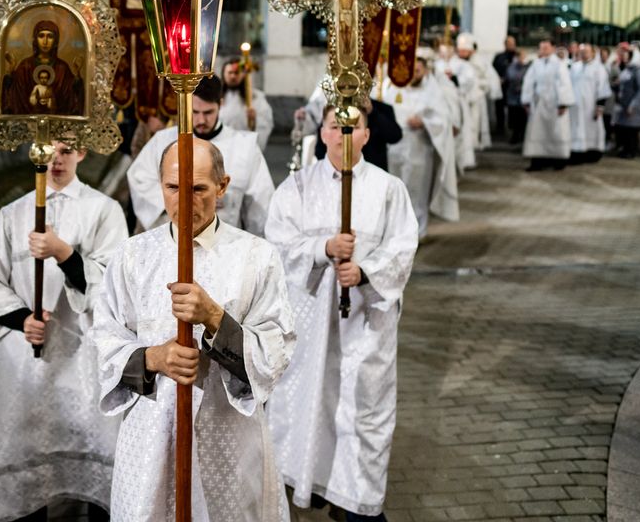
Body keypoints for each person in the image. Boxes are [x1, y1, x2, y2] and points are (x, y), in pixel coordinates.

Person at [93, 139, 296, 521]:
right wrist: (153, 357)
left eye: (199, 189)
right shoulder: (132, 256)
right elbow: (104, 337)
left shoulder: (256, 257)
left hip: (229, 441)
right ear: (160, 185)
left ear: (223, 186)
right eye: (173, 188)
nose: (185, 202)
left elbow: (275, 351)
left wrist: (215, 318)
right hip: (151, 438)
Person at [266, 104, 419, 522]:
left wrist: (365, 272)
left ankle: (357, 505)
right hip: (311, 326)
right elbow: (277, 244)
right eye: (336, 126)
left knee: (362, 418)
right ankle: (310, 489)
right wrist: (323, 250)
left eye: (353, 128)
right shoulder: (296, 188)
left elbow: (403, 249)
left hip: (364, 332)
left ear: (368, 136)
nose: (344, 135)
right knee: (306, 414)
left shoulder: (389, 190)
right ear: (323, 132)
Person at [0, 141, 127, 522]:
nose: (56, 159)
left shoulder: (104, 211)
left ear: (83, 152)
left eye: (68, 149)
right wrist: (23, 318)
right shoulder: (12, 214)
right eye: (47, 150)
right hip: (27, 359)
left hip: (84, 357)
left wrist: (64, 254)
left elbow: (115, 283)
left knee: (96, 451)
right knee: (27, 457)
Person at [127, 76, 274, 235]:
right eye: (195, 112)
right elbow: (139, 178)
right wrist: (181, 201)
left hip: (225, 242)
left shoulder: (245, 146)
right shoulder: (163, 141)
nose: (201, 120)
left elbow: (262, 202)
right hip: (174, 240)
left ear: (221, 104)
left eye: (208, 112)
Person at [383, 58, 458, 236]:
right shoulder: (394, 88)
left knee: (416, 191)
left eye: (418, 71)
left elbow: (442, 119)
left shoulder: (432, 91)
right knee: (395, 190)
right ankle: (395, 231)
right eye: (411, 70)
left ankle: (418, 232)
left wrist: (424, 122)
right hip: (394, 148)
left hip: (419, 147)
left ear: (425, 71)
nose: (414, 74)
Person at [2, 19, 81, 116]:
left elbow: (72, 97)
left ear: (56, 41)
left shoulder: (62, 68)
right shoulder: (25, 66)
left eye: (50, 37)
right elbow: (14, 96)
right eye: (41, 36)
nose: (45, 41)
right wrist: (10, 70)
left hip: (58, 124)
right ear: (35, 39)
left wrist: (77, 75)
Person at [521, 39, 575, 171]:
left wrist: (563, 103)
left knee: (556, 132)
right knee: (538, 132)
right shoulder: (536, 64)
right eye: (541, 48)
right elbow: (529, 82)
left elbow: (564, 83)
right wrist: (527, 100)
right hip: (539, 103)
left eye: (546, 48)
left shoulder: (559, 64)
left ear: (552, 48)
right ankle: (538, 161)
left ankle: (558, 161)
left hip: (554, 104)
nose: (543, 50)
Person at [568, 44, 612, 164]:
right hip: (575, 106)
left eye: (586, 52)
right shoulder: (575, 67)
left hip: (590, 107)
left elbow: (603, 88)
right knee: (576, 129)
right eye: (581, 51)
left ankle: (593, 153)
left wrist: (600, 106)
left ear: (593, 53)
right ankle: (576, 153)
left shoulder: (599, 68)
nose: (584, 54)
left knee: (592, 129)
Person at [221, 58, 274, 150]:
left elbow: (266, 123)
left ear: (243, 75)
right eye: (230, 73)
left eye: (236, 73)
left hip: (244, 147)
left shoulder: (256, 98)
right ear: (224, 74)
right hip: (220, 146)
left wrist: (254, 121)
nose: (233, 76)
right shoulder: (216, 97)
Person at [611, 43, 640, 159]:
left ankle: (631, 150)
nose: (625, 56)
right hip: (624, 104)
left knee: (632, 130)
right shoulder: (628, 68)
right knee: (624, 129)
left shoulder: (639, 68)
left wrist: (633, 104)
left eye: (628, 54)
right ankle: (625, 149)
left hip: (633, 105)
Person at [492, 35, 519, 137]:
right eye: (509, 44)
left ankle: (513, 130)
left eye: (513, 43)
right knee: (499, 108)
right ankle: (500, 128)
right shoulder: (499, 57)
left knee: (513, 110)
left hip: (513, 88)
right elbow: (492, 70)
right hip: (501, 87)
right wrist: (498, 78)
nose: (511, 45)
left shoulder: (517, 56)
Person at [504, 49, 528, 145]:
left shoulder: (527, 67)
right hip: (513, 98)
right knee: (514, 119)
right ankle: (515, 136)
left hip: (522, 98)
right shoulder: (512, 67)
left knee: (523, 119)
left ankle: (522, 136)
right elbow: (512, 77)